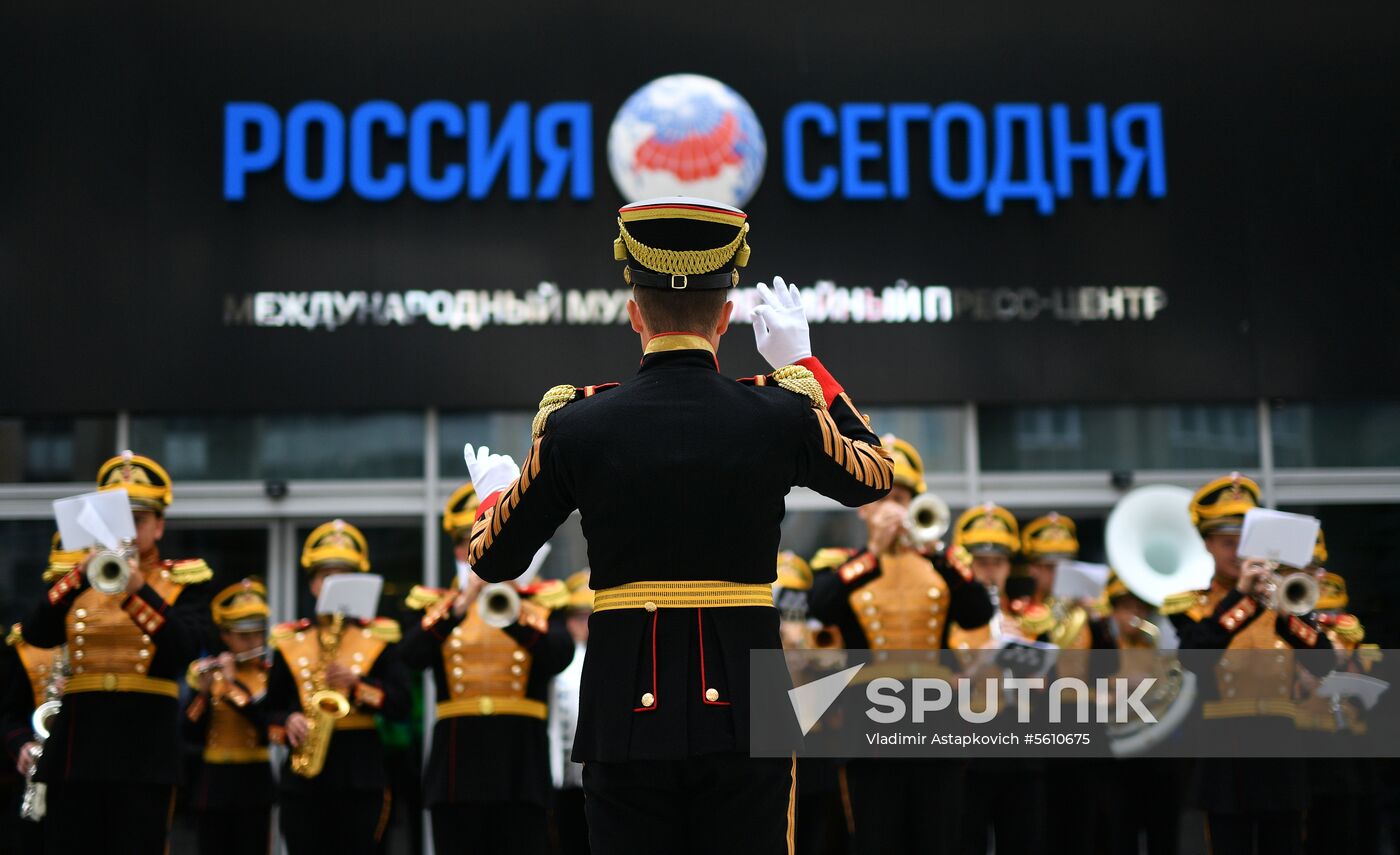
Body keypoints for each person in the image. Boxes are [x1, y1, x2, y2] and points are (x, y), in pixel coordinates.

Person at [459, 196, 894, 854]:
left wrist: (496, 497)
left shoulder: (575, 422)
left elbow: (493, 560)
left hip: (623, 705)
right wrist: (806, 365)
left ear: (635, 313)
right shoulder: (779, 412)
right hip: (751, 699)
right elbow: (877, 474)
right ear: (727, 317)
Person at [807, 436, 993, 855]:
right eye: (884, 497)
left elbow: (978, 613)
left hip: (937, 719)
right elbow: (822, 605)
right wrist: (872, 551)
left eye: (903, 497)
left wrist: (940, 556)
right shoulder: (848, 565)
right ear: (865, 505)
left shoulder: (940, 564)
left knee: (939, 834)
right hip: (870, 719)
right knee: (877, 836)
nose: (894, 507)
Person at [21, 451, 213, 855]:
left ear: (159, 526)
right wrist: (78, 574)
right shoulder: (76, 578)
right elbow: (36, 633)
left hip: (145, 749)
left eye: (137, 520)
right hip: (78, 747)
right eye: (114, 521)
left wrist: (137, 587)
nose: (125, 532)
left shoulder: (182, 581)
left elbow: (182, 648)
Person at [400, 483, 575, 855]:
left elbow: (559, 654)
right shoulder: (439, 605)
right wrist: (461, 604)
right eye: (466, 542)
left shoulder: (538, 602)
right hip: (456, 769)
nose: (474, 552)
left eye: (487, 540)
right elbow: (411, 655)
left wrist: (510, 608)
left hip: (520, 766)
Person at [1162, 473, 1332, 855]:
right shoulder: (1192, 605)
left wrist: (1283, 609)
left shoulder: (1282, 598)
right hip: (1225, 749)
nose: (1238, 552)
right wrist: (1244, 597)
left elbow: (1323, 660)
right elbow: (1195, 656)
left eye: (1245, 542)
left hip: (1282, 746)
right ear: (1207, 544)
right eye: (1227, 542)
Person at [267, 519, 411, 855]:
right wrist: (287, 722)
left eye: (343, 575)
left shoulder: (379, 638)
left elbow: (402, 703)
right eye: (325, 576)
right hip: (303, 778)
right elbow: (269, 711)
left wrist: (358, 686)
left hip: (360, 774)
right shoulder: (291, 640)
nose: (333, 583)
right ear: (313, 584)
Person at [948, 503, 1046, 855]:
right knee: (967, 842)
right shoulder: (952, 621)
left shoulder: (1026, 620)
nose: (991, 572)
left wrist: (1021, 656)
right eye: (982, 562)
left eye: (998, 563)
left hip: (1020, 748)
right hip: (969, 749)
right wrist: (981, 662)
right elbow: (940, 689)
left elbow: (1043, 689)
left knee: (1023, 841)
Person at [0, 534, 82, 854]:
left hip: (101, 779)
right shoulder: (27, 644)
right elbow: (9, 714)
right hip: (42, 785)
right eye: (62, 583)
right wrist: (21, 745)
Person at [184, 577, 274, 855]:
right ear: (225, 635)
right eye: (244, 635)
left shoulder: (268, 675)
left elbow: (266, 728)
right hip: (214, 784)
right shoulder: (210, 673)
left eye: (258, 634)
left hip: (254, 782)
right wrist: (203, 693)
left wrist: (233, 687)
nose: (253, 641)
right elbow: (188, 732)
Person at [548, 569, 594, 855]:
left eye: (588, 616)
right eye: (576, 616)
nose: (582, 624)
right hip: (565, 777)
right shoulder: (562, 654)